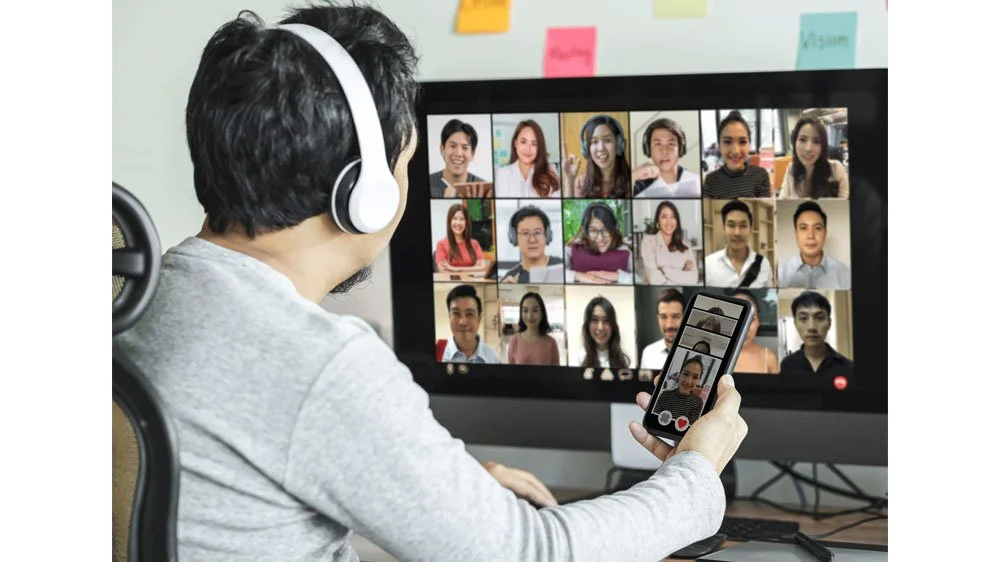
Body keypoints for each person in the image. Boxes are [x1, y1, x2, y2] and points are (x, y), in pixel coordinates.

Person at [113, 4, 748, 560]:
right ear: (363, 191)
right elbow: (532, 555)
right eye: (408, 162)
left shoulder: (140, 298)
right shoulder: (322, 365)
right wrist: (696, 474)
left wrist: (449, 487)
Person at [780, 291, 854, 379]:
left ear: (829, 323)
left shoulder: (848, 368)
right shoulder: (787, 365)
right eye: (803, 318)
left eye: (819, 318)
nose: (811, 327)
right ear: (795, 324)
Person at [778, 201, 851, 289]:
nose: (811, 236)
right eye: (803, 228)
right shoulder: (781, 274)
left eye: (817, 228)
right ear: (795, 234)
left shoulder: (843, 272)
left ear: (825, 234)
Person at [704, 200, 773, 288]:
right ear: (724, 228)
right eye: (731, 225)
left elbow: (768, 298)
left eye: (743, 226)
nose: (737, 233)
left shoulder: (764, 264)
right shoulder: (708, 264)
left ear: (750, 229)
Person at [703, 111, 771, 198]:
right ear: (719, 146)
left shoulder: (761, 175)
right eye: (727, 142)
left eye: (742, 142)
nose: (736, 151)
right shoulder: (710, 180)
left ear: (749, 144)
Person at [778, 117, 849, 199]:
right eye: (802, 139)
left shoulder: (836, 169)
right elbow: (782, 203)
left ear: (823, 146)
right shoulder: (791, 170)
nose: (808, 148)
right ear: (795, 142)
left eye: (816, 141)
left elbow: (844, 206)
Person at [564, 202, 634, 284]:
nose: (600, 238)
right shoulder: (571, 249)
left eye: (606, 230)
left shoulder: (624, 251)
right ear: (585, 231)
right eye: (593, 231)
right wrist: (578, 275)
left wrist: (617, 276)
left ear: (615, 229)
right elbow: (556, 274)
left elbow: (639, 279)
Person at [564, 114, 632, 198]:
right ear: (587, 148)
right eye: (594, 142)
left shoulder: (632, 180)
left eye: (607, 140)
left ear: (618, 145)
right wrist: (569, 181)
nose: (601, 148)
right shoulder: (581, 183)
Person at [632, 118, 701, 198]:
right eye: (658, 144)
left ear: (680, 148)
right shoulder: (636, 184)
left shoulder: (696, 181)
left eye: (671, 144)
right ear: (648, 149)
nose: (664, 151)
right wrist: (633, 176)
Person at [494, 119, 560, 198]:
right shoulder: (504, 173)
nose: (528, 149)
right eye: (523, 142)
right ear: (516, 143)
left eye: (534, 144)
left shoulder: (550, 170)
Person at [639, 200, 699, 286]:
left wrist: (664, 270)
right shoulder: (648, 242)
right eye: (664, 217)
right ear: (658, 222)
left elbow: (693, 278)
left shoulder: (686, 245)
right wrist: (682, 272)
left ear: (677, 221)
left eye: (673, 217)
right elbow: (654, 279)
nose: (669, 222)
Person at [499, 205, 564, 283]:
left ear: (547, 235)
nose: (532, 240)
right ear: (514, 238)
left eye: (537, 232)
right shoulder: (509, 279)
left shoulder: (563, 266)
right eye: (525, 233)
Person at [429, 118, 490, 198]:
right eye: (453, 146)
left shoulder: (483, 188)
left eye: (464, 148)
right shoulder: (428, 183)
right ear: (442, 149)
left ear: (472, 153)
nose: (458, 153)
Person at [442, 284, 501, 364]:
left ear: (479, 318)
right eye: (456, 313)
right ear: (449, 316)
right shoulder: (440, 354)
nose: (462, 322)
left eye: (469, 314)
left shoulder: (493, 358)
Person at [728, 289, 779, 375]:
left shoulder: (769, 358)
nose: (744, 327)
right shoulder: (714, 355)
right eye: (738, 318)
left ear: (758, 322)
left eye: (751, 319)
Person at [506, 292, 561, 365]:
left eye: (535, 310)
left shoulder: (551, 343)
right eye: (525, 310)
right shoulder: (514, 340)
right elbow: (510, 373)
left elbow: (556, 374)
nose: (529, 316)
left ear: (542, 314)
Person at [577, 295, 631, 369]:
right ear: (587, 325)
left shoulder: (623, 358)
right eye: (594, 320)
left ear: (613, 325)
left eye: (606, 321)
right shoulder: (580, 358)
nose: (600, 328)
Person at [433, 203, 489, 274]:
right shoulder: (441, 244)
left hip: (471, 283)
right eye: (455, 218)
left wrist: (456, 269)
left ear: (466, 222)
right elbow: (443, 271)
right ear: (449, 221)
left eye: (462, 219)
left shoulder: (474, 244)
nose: (458, 223)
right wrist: (473, 268)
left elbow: (483, 267)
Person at [639, 289, 685, 370]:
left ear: (685, 317)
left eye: (676, 316)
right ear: (658, 319)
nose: (669, 324)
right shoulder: (648, 353)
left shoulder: (698, 353)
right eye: (663, 317)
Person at [652, 356, 707, 423]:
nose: (688, 381)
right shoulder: (665, 395)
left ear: (698, 380)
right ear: (679, 374)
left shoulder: (697, 402)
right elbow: (654, 420)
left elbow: (690, 428)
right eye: (686, 374)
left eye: (695, 377)